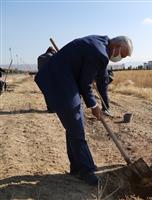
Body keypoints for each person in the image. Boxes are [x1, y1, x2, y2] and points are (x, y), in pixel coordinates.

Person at [34, 35, 133, 185]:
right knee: (76, 123)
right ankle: (86, 170)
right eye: (122, 55)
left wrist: (103, 103)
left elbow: (100, 78)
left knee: (73, 124)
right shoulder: (99, 52)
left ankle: (76, 167)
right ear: (117, 47)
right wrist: (93, 106)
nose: (120, 58)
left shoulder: (102, 44)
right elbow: (85, 84)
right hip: (60, 79)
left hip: (66, 77)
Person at [37, 47, 57, 112]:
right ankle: (54, 108)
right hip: (51, 77)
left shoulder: (39, 57)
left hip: (42, 78)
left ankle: (50, 108)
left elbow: (38, 68)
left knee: (47, 94)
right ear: (52, 51)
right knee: (54, 93)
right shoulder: (53, 57)